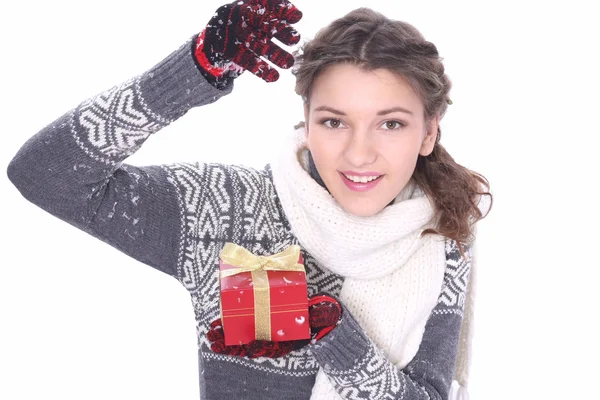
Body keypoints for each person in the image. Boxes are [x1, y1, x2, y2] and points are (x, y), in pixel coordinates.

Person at [6, 0, 492, 399]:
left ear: (429, 132)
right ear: (306, 119)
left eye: (391, 124)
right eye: (334, 121)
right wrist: (192, 69)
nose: (358, 154)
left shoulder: (438, 233)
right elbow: (45, 174)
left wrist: (335, 338)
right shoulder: (229, 209)